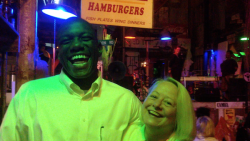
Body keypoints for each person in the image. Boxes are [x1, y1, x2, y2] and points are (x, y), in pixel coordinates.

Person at [0, 17, 142, 141]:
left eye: (85, 38)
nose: (76, 45)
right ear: (59, 53)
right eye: (67, 41)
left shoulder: (127, 102)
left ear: (98, 49)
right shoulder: (30, 95)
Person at [123, 77, 196, 141]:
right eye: (154, 96)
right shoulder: (126, 133)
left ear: (180, 114)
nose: (156, 104)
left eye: (167, 102)